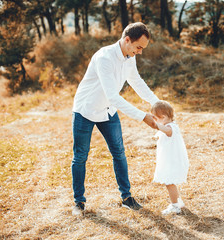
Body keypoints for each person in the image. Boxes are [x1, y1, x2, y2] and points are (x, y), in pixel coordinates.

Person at [71, 22, 159, 215]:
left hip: (108, 111)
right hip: (85, 110)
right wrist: (143, 116)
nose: (140, 52)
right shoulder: (105, 58)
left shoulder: (129, 56)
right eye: (138, 47)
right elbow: (113, 95)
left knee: (119, 153)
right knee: (80, 157)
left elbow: (136, 81)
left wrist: (156, 103)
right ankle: (79, 202)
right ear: (127, 40)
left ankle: (127, 198)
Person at [151, 101, 189, 214]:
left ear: (162, 117)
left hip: (171, 162)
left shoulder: (170, 127)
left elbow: (167, 131)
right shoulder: (171, 125)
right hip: (170, 160)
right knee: (170, 182)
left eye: (155, 118)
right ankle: (178, 201)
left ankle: (175, 205)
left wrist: (156, 125)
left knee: (169, 183)